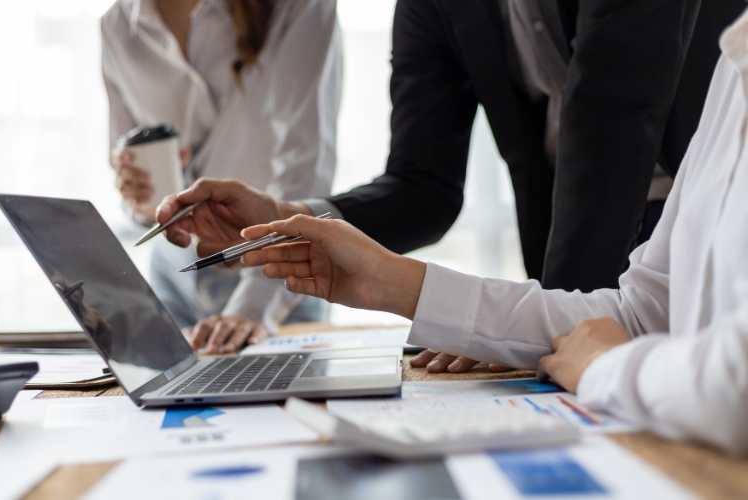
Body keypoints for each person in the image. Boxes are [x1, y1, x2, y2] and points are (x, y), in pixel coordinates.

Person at [217, 12, 748, 454]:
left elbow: (613, 119)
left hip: (648, 195)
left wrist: (600, 365)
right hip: (636, 232)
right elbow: (639, 312)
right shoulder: (734, 64)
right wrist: (389, 282)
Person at [101, 0, 341, 353]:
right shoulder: (117, 25)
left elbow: (306, 169)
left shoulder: (297, 7)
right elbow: (134, 183)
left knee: (281, 388)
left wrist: (252, 307)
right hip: (174, 273)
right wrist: (139, 199)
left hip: (276, 277)